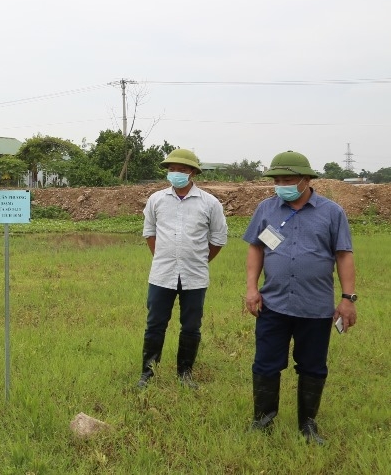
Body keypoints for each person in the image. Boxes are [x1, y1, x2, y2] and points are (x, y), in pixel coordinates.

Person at [243, 150, 356, 444]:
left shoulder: (332, 212)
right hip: (274, 304)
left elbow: (343, 254)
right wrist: (252, 288)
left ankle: (307, 425)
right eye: (277, 179)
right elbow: (256, 247)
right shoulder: (266, 209)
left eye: (288, 179)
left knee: (313, 366)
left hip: (315, 307)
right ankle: (263, 421)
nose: (281, 184)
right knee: (266, 363)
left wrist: (347, 298)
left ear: (306, 180)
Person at [138, 148, 228, 389]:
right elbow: (150, 232)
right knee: (155, 323)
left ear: (192, 172)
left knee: (191, 326)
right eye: (171, 169)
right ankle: (147, 373)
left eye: (181, 169)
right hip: (161, 275)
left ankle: (185, 373)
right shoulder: (156, 200)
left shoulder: (210, 203)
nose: (175, 173)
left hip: (194, 276)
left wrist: (199, 259)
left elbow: (218, 238)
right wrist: (164, 257)